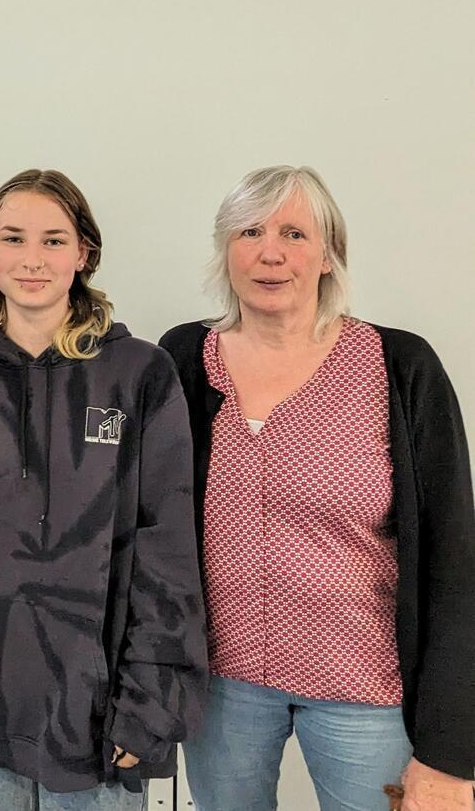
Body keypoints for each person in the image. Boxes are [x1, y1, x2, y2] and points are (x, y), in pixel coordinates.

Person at [159, 166, 475, 811]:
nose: (270, 252)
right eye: (250, 231)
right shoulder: (185, 359)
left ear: (329, 254)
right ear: (226, 250)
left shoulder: (399, 365)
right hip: (222, 686)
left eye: (295, 233)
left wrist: (450, 752)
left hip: (366, 689)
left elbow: (454, 560)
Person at [0, 169, 206, 811]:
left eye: (54, 241)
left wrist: (152, 698)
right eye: (15, 238)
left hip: (97, 709)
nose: (32, 259)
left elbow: (167, 544)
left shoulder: (139, 372)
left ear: (84, 254)